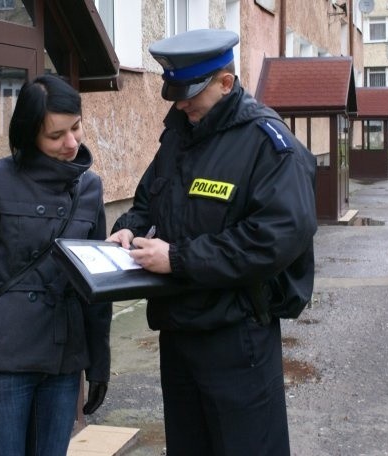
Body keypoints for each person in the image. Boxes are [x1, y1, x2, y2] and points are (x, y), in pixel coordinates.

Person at [107, 29, 317, 455]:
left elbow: (275, 237)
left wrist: (178, 259)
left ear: (226, 83)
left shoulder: (268, 145)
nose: (181, 104)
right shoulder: (180, 135)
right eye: (176, 94)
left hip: (236, 335)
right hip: (179, 328)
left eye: (191, 95)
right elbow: (149, 197)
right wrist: (129, 225)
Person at [0, 74, 112, 456]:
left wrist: (99, 364)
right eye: (56, 136)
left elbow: (97, 284)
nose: (71, 143)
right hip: (5, 361)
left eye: (76, 128)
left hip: (63, 359)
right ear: (29, 135)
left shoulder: (90, 187)